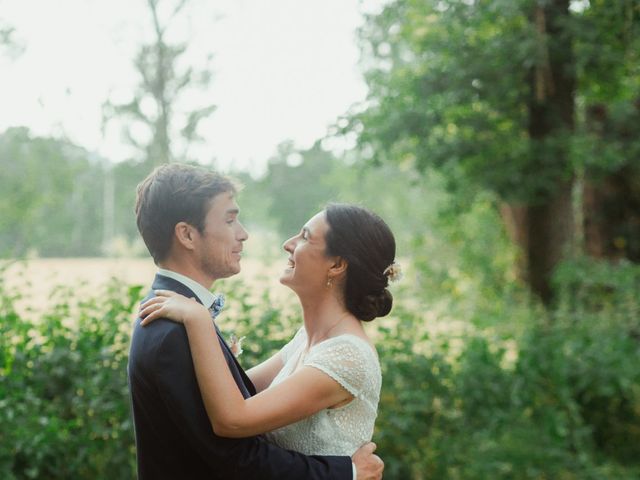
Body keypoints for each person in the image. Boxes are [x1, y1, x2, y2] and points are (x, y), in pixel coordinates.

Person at [128, 163, 384, 480]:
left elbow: (238, 407)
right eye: (230, 219)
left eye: (305, 237)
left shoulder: (179, 315)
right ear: (187, 235)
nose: (244, 233)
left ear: (338, 265)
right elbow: (235, 454)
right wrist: (348, 473)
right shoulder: (174, 326)